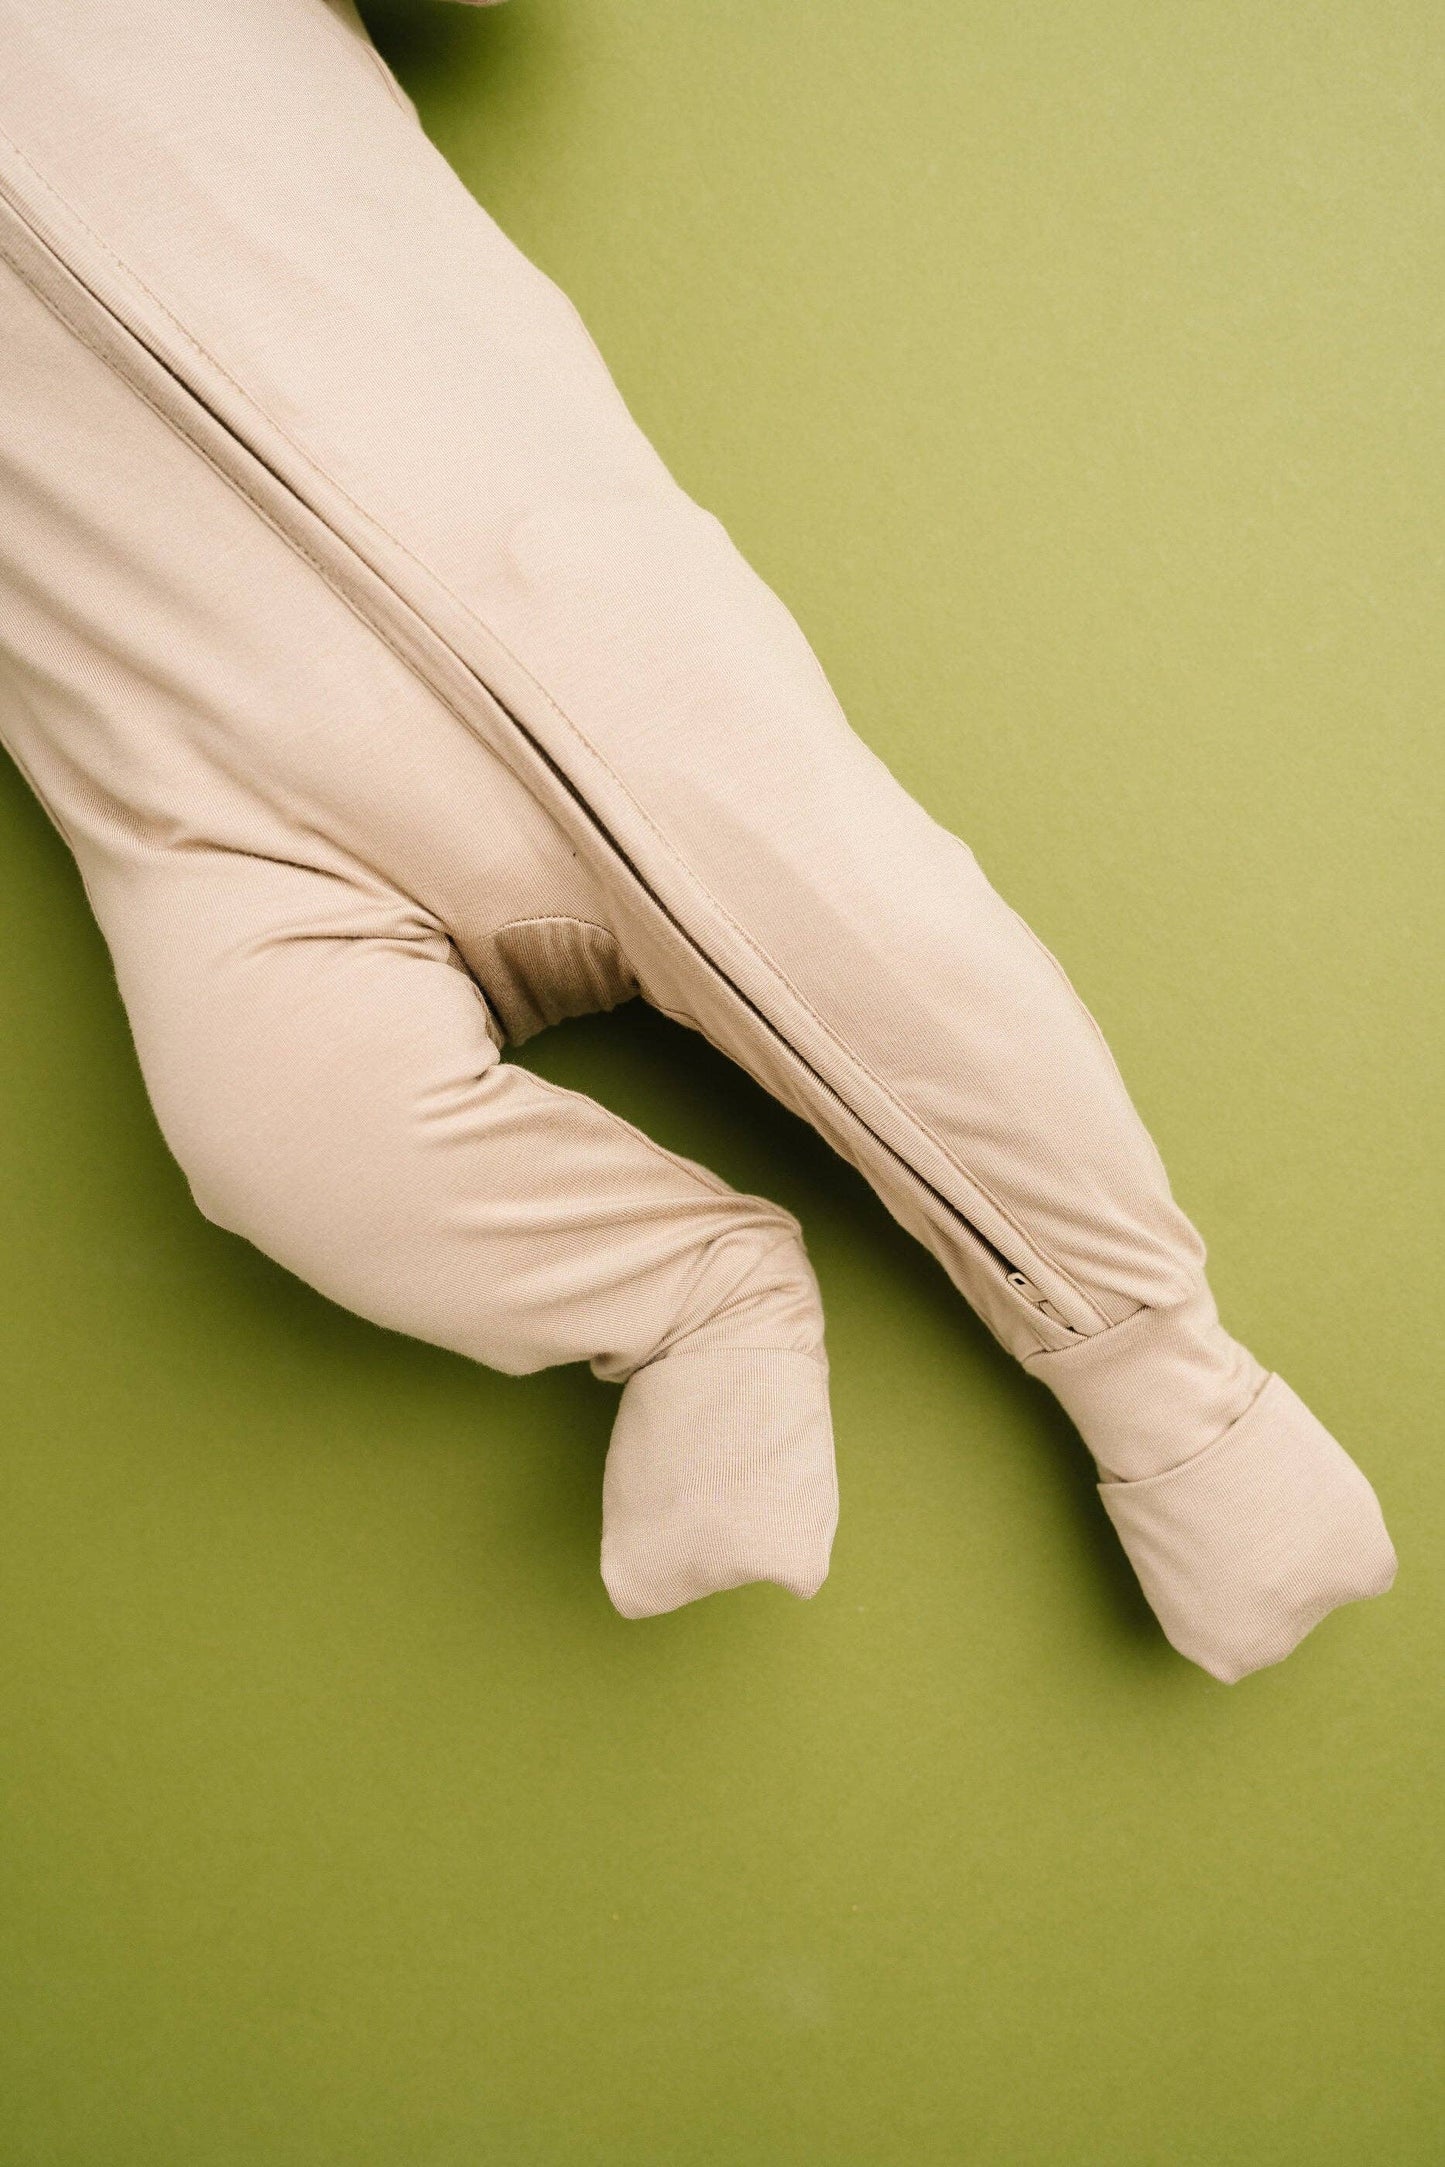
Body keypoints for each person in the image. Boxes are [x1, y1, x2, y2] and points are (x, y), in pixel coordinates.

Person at [0, 0, 1396, 1680]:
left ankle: (1174, 1402)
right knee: (273, 1132)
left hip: (577, 618)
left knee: (893, 957)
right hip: (213, 809)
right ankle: (688, 1294)